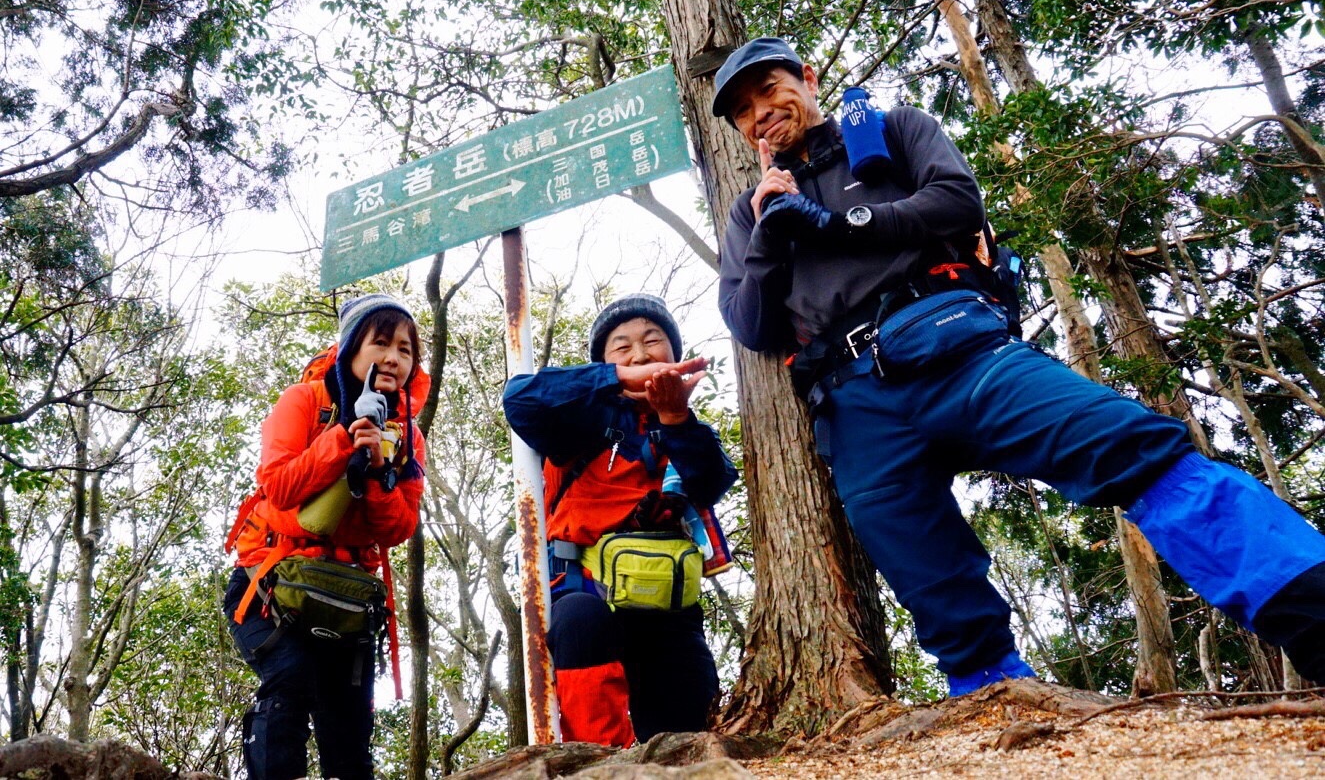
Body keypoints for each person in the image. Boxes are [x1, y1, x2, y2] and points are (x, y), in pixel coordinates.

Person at [714, 36, 1325, 695]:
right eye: (743, 110)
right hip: (854, 400)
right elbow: (751, 325)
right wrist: (770, 231)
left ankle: (1314, 610)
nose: (760, 113)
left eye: (768, 89)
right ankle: (997, 698)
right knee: (923, 567)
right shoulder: (748, 212)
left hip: (957, 348)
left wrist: (838, 223)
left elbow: (956, 201)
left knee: (1131, 448)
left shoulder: (892, 130)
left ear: (807, 78)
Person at [503, 294, 737, 745]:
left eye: (653, 341)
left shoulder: (686, 429)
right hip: (585, 588)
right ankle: (599, 763)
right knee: (581, 622)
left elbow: (710, 481)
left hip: (667, 602)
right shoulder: (580, 419)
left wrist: (675, 417)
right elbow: (519, 400)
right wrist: (614, 379)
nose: (641, 355)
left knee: (688, 729)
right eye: (622, 346)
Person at [223, 294, 428, 779]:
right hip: (269, 584)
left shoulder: (407, 436)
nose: (393, 358)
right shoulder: (304, 401)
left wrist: (376, 471)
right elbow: (278, 487)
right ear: (351, 348)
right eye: (381, 343)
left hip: (347, 600)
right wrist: (343, 436)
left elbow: (399, 528)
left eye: (405, 349)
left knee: (349, 729)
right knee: (289, 679)